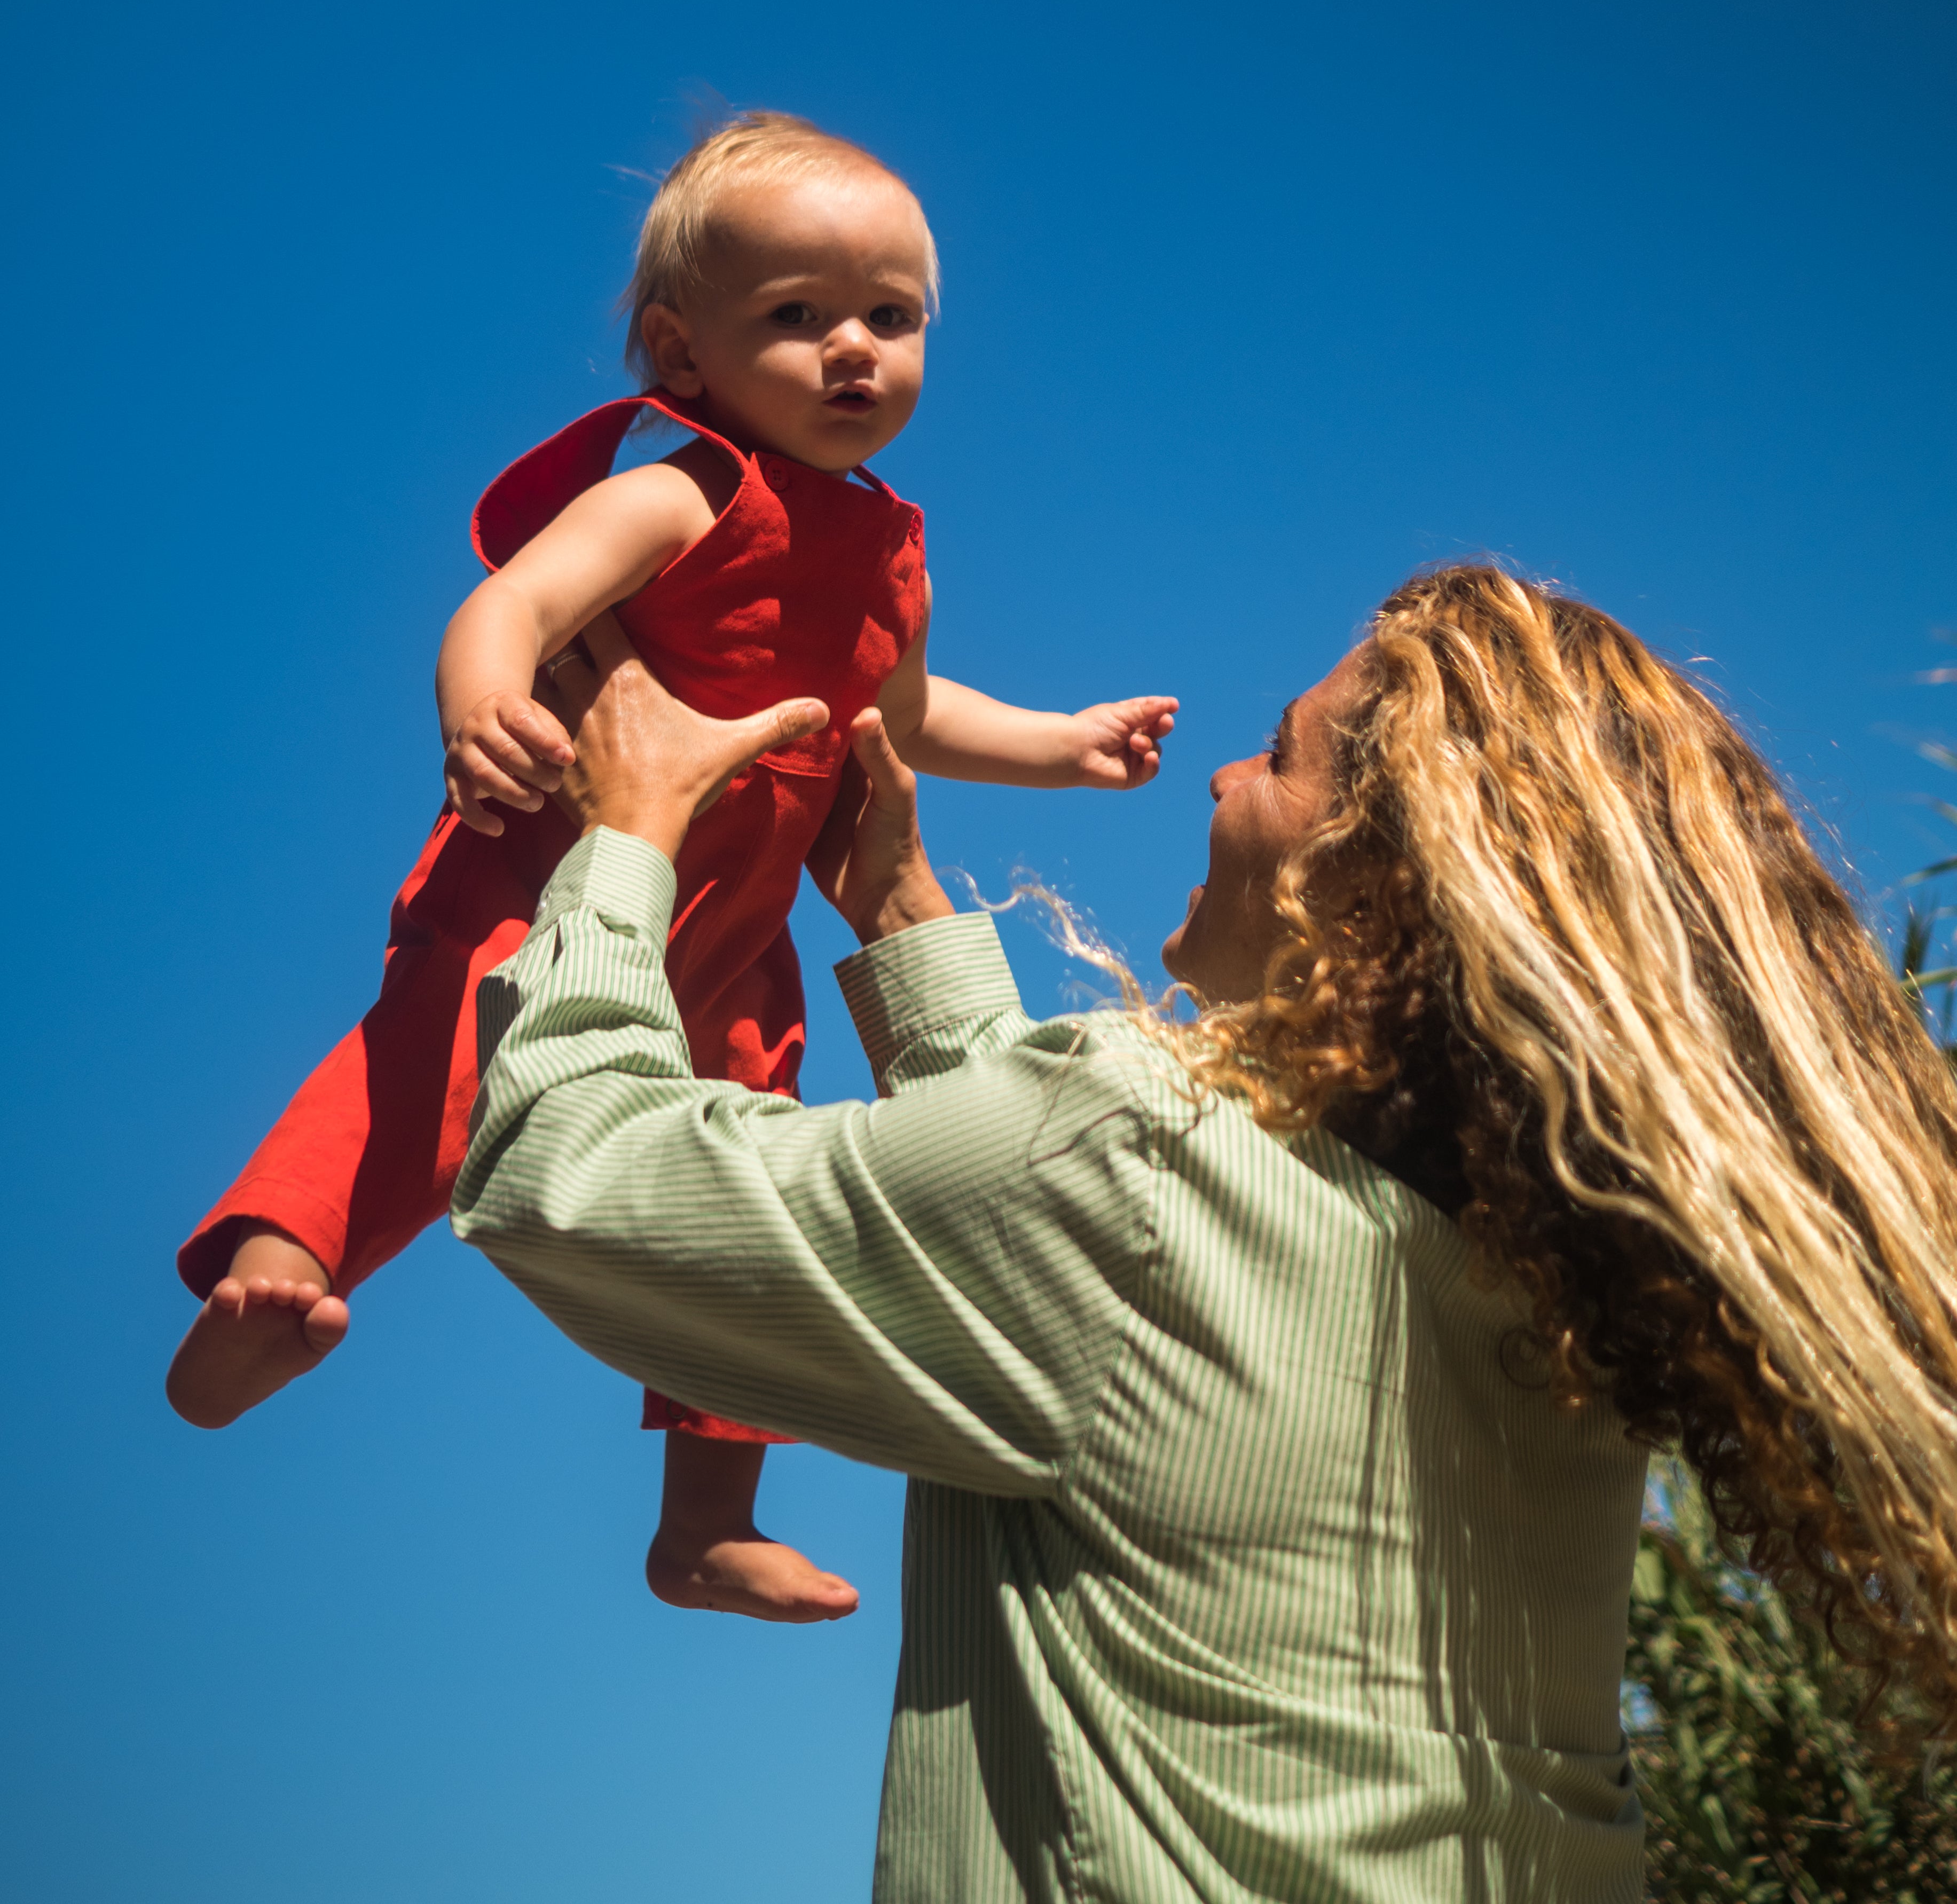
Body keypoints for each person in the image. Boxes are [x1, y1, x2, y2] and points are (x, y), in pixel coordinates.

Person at [451, 567, 1957, 1902]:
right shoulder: (1546, 1317)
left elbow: (564, 1175)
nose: (1223, 777)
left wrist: (626, 833)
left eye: (1282, 758)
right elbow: (1129, 1287)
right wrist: (901, 915)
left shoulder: (1137, 1164)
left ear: (1377, 883)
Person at [164, 112, 1176, 1623]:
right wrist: (482, 706)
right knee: (433, 1064)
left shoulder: (891, 544)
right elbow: (511, 602)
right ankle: (274, 1263)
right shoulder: (681, 493)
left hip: (739, 927)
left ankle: (703, 1522)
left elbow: (899, 711)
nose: (855, 351)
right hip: (558, 869)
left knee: (747, 1180)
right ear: (677, 351)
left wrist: (1058, 744)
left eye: (891, 320)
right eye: (797, 317)